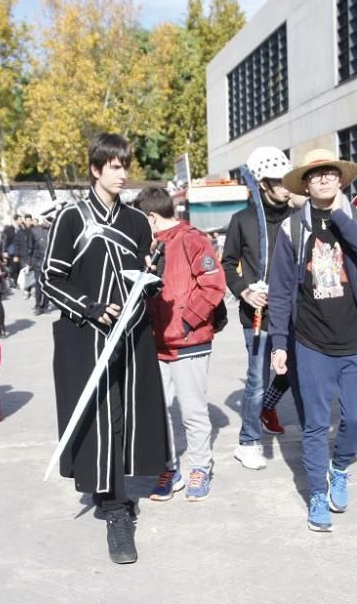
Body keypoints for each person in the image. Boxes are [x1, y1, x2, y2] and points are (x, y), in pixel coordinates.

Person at [40, 133, 168, 565]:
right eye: (114, 165)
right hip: (85, 337)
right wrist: (91, 308)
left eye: (125, 164)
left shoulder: (135, 221)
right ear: (96, 168)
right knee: (101, 419)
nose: (122, 172)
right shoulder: (71, 219)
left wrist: (155, 272)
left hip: (132, 337)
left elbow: (144, 276)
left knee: (128, 419)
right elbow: (49, 279)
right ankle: (116, 511)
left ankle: (112, 491)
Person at [267, 149, 357, 532]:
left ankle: (341, 467)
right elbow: (281, 290)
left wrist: (337, 215)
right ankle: (317, 492)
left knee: (356, 418)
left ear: (340, 179)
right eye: (315, 174)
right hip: (311, 342)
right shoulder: (292, 228)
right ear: (305, 182)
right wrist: (279, 343)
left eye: (329, 173)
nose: (322, 179)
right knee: (316, 425)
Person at [135, 187, 226, 502]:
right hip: (155, 343)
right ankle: (168, 469)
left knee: (192, 411)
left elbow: (214, 285)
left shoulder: (192, 239)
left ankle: (200, 467)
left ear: (150, 216)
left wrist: (187, 322)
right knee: (158, 412)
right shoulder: (150, 245)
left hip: (189, 343)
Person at [221, 146, 300, 470]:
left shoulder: (297, 218)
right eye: (277, 181)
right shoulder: (242, 220)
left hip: (294, 310)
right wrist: (243, 290)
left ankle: (268, 407)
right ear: (262, 184)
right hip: (256, 312)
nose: (285, 186)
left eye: (287, 180)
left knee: (295, 370)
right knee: (256, 378)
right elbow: (227, 263)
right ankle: (248, 441)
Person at [29, 216, 51, 315]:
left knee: (47, 284)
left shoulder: (54, 231)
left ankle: (45, 305)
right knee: (38, 284)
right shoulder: (35, 231)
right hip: (38, 262)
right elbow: (30, 247)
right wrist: (30, 262)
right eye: (47, 221)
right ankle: (38, 305)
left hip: (49, 263)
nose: (48, 223)